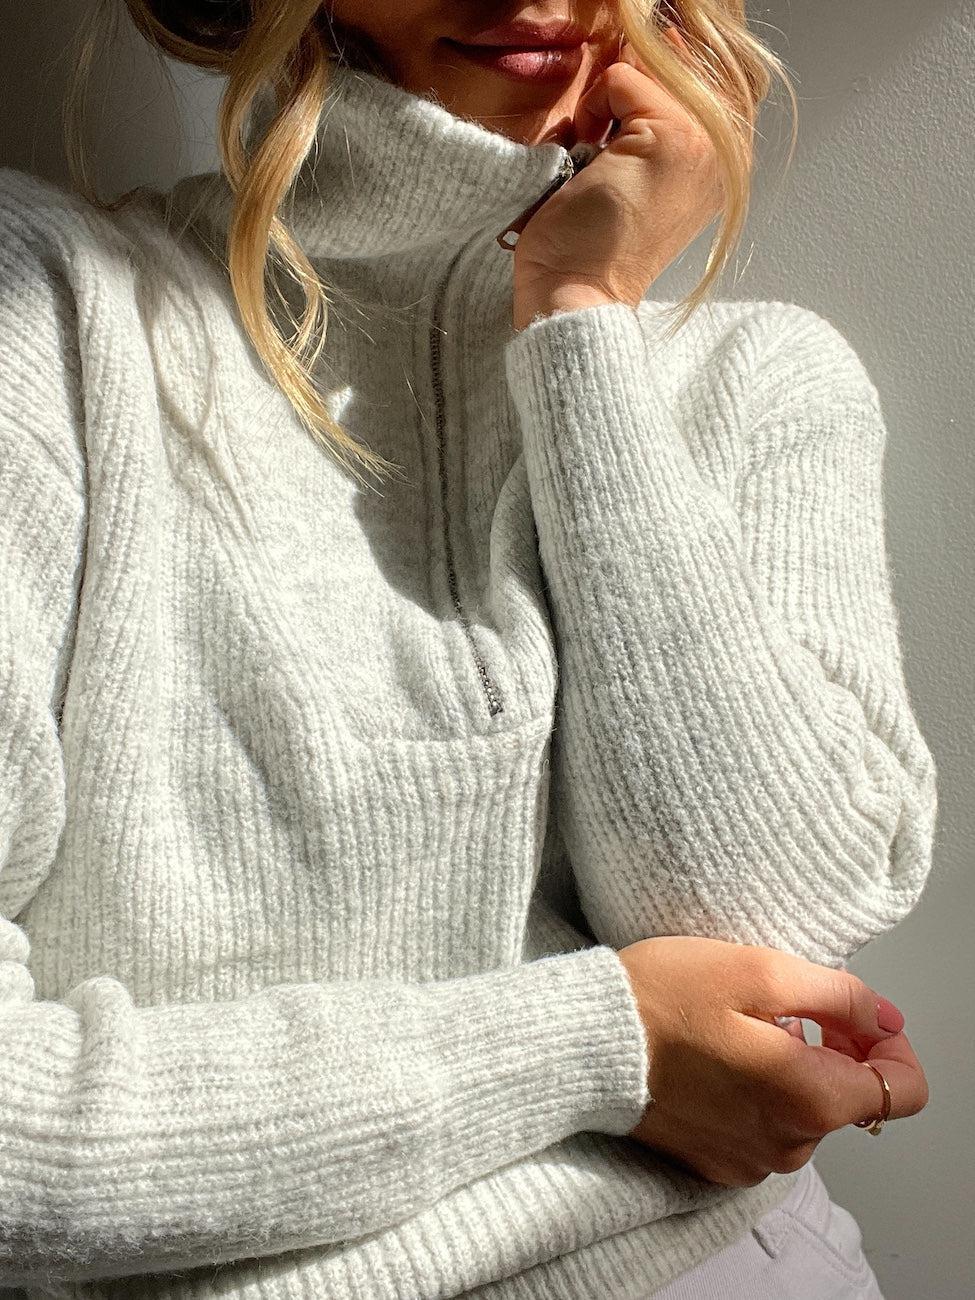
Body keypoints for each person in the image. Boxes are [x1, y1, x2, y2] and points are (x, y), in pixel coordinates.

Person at [0, 2, 938, 1297]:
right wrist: (597, 1048)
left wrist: (580, 314)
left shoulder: (758, 379)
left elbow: (775, 943)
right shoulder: (50, 320)